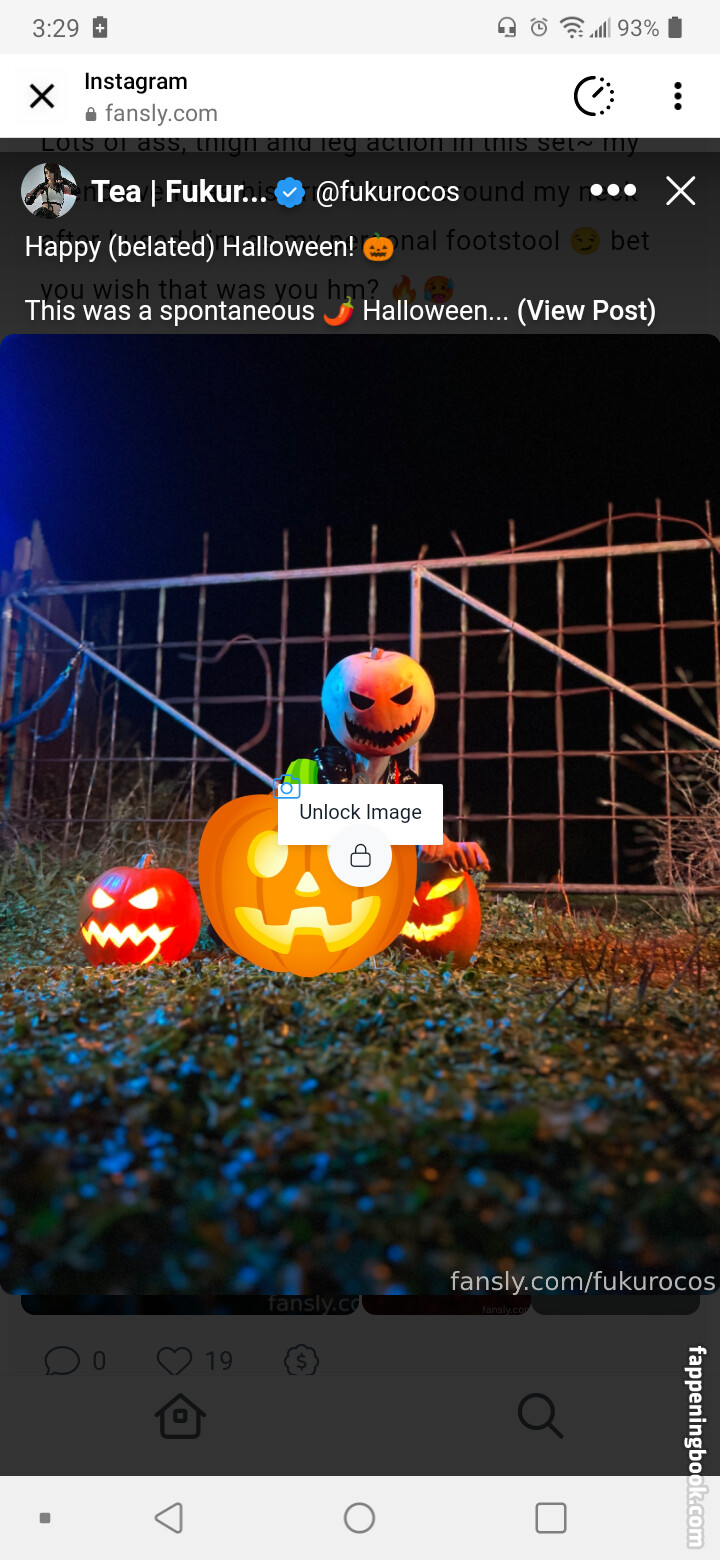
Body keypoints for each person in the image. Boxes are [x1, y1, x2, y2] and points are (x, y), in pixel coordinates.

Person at [286, 647, 489, 872]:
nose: (384, 711)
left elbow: (415, 838)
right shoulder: (319, 765)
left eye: (402, 698)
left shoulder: (406, 782)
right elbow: (340, 816)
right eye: (361, 701)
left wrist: (448, 848)